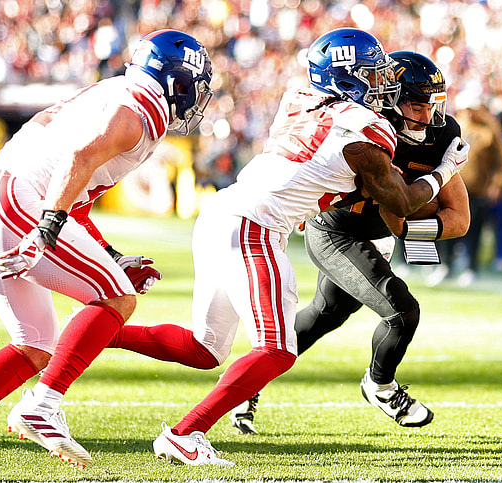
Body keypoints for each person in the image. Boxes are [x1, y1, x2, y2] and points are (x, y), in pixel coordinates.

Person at [105, 29, 469, 466]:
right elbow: (402, 202)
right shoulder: (367, 129)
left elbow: (439, 215)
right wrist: (444, 169)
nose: (382, 83)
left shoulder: (301, 99)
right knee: (279, 348)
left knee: (208, 348)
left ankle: (95, 332)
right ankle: (187, 433)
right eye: (372, 74)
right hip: (261, 225)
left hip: (228, 212)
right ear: (347, 79)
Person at [0, 29, 213, 480]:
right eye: (192, 87)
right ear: (174, 81)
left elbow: (74, 192)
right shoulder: (143, 107)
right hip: (15, 202)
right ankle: (43, 406)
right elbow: (79, 157)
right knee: (117, 298)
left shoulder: (115, 90)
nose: (194, 99)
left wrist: (109, 253)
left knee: (36, 342)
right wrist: (46, 229)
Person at [227, 51, 471, 435]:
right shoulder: (368, 127)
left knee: (326, 314)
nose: (428, 118)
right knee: (401, 310)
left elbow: (459, 219)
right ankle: (379, 385)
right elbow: (399, 205)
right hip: (335, 229)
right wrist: (436, 179)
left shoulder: (442, 134)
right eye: (417, 105)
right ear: (390, 97)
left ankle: (247, 382)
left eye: (431, 106)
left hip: (376, 236)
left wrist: (410, 232)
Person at [429, 95, 502, 287]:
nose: (468, 113)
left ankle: (472, 268)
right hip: (451, 188)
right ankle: (446, 265)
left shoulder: (489, 131)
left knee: (474, 230)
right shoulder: (454, 127)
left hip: (477, 189)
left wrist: (496, 185)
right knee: (446, 227)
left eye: (471, 109)